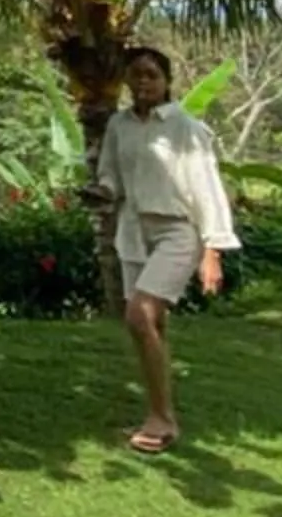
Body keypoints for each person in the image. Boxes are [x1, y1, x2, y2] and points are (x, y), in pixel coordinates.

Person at [95, 45, 239, 455]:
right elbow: (111, 174)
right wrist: (101, 191)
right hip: (133, 230)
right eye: (136, 75)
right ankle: (159, 410)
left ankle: (162, 417)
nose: (143, 82)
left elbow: (206, 189)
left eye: (151, 75)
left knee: (138, 318)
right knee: (151, 326)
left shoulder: (184, 127)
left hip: (177, 231)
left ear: (166, 81)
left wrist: (212, 251)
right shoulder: (119, 126)